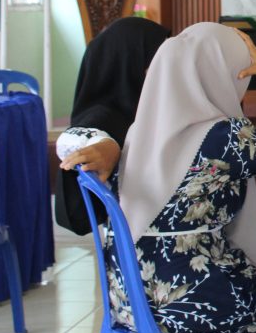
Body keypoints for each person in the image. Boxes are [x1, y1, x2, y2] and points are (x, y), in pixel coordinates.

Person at [111, 22, 256, 333]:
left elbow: (185, 212)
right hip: (183, 300)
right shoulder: (222, 137)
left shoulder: (142, 129)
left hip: (131, 292)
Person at [55, 16, 171, 234]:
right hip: (143, 243)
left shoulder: (138, 108)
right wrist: (106, 145)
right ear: (129, 63)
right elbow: (74, 139)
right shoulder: (103, 115)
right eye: (156, 61)